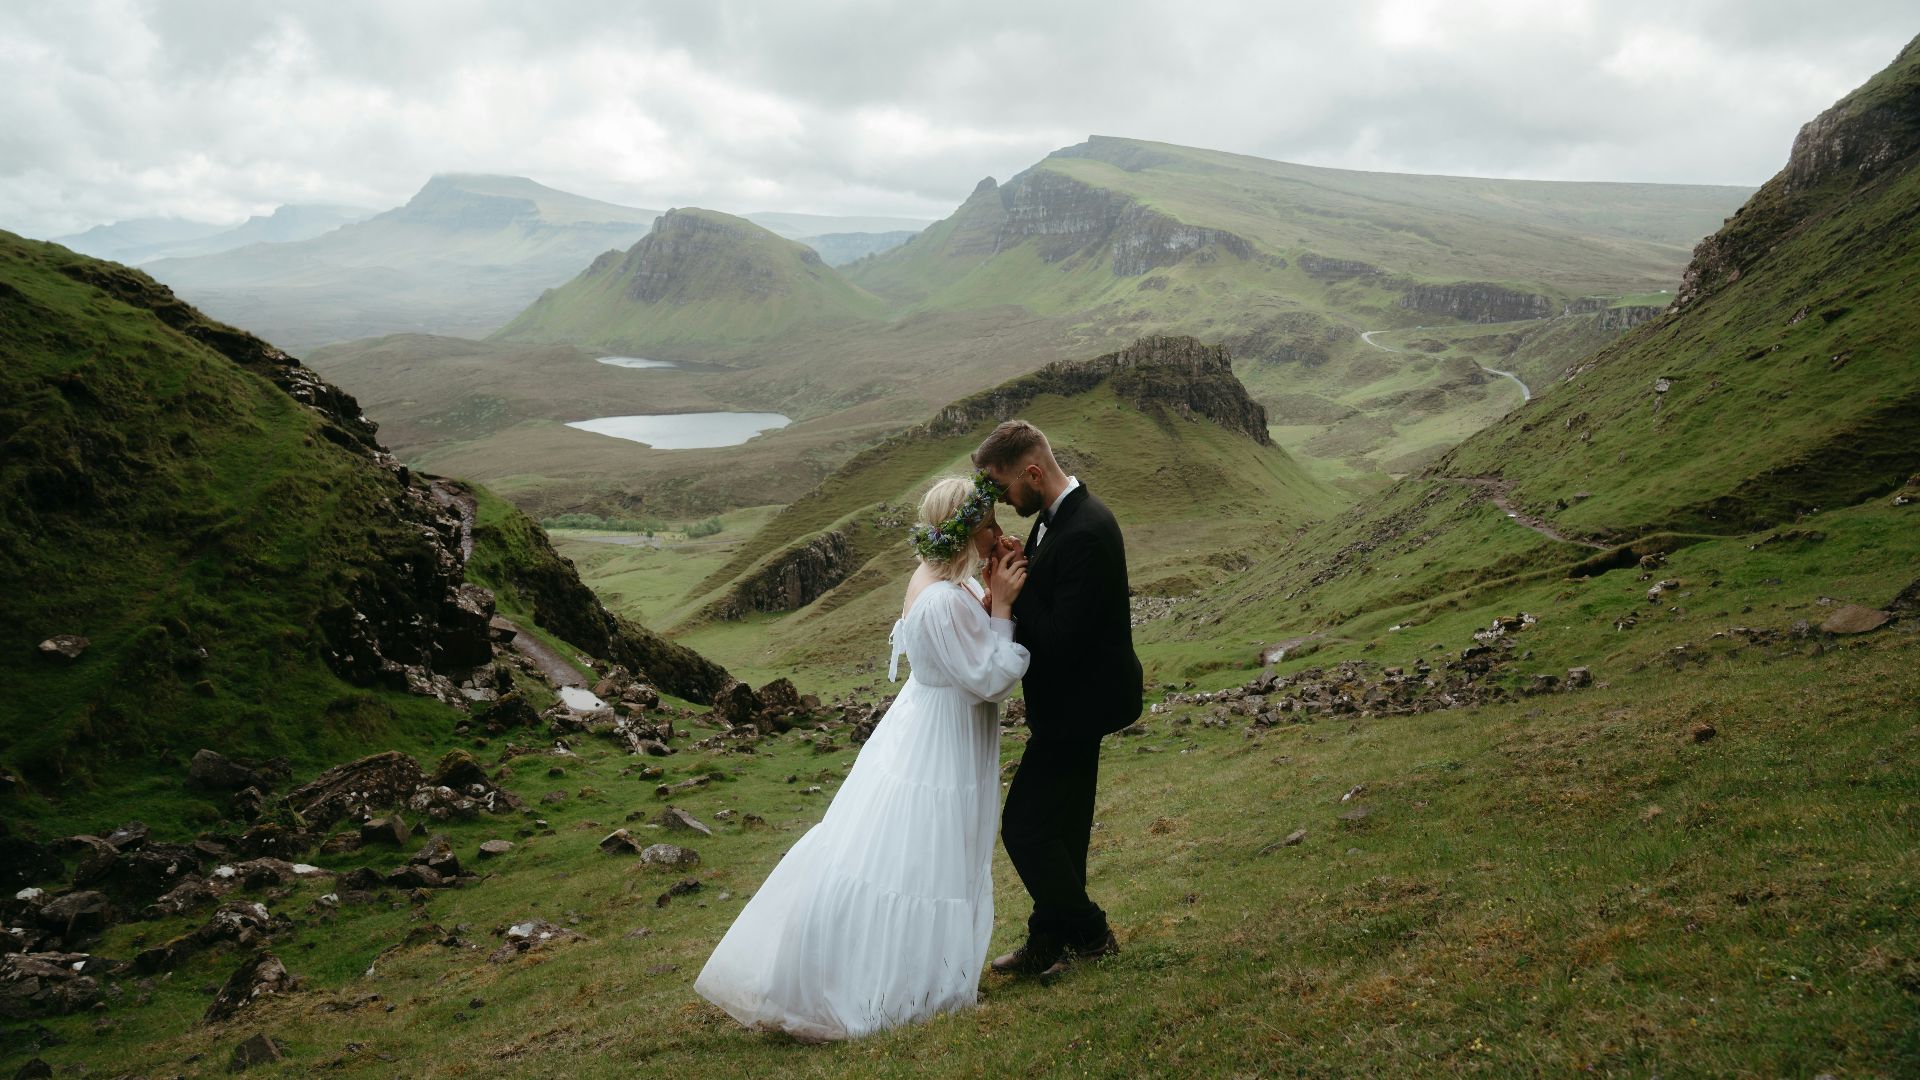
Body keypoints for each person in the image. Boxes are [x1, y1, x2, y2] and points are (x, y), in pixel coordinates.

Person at [694, 473, 1030, 1040]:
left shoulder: (935, 580)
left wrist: (993, 587)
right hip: (943, 740)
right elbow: (991, 679)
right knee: (931, 854)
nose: (997, 533)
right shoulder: (944, 600)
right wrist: (1002, 609)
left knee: (910, 852)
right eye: (988, 526)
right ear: (963, 534)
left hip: (923, 725)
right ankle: (906, 984)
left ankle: (918, 968)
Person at [973, 419, 1143, 983]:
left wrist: (1010, 601)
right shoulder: (1054, 521)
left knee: (1025, 828)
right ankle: (1049, 940)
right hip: (1068, 707)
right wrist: (1026, 568)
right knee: (1064, 831)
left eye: (1002, 487)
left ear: (1033, 472)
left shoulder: (1088, 529)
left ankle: (1090, 934)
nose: (1000, 500)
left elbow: (1063, 640)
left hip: (1080, 706)